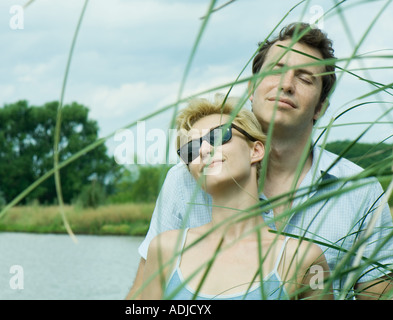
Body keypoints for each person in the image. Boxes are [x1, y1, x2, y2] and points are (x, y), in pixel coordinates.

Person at [127, 22, 393, 300]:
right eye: (275, 70)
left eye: (304, 78)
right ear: (252, 89)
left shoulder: (362, 191)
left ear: (320, 107)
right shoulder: (182, 180)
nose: (286, 85)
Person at [141, 97, 333, 300]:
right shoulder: (164, 251)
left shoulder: (302, 258)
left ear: (256, 150)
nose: (204, 150)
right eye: (191, 150)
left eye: (218, 136)